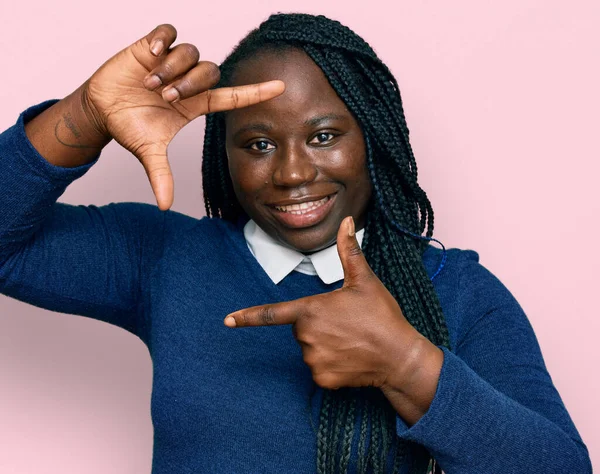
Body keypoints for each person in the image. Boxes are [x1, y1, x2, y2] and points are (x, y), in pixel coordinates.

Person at [0, 13, 591, 474]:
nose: (291, 173)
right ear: (221, 154)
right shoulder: (164, 259)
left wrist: (407, 365)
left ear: (374, 140)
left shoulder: (459, 292)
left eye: (325, 135)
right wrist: (85, 114)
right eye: (257, 144)